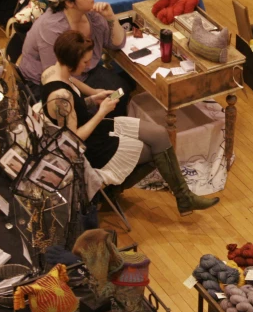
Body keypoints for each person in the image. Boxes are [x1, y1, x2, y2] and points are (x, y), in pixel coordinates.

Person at [42, 30, 219, 216]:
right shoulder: (61, 97)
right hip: (92, 148)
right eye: (84, 62)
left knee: (159, 135)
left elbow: (76, 106)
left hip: (96, 128)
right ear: (72, 61)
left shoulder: (52, 72)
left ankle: (185, 198)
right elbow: (73, 140)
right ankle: (109, 192)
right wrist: (101, 112)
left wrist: (93, 99)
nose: (87, 66)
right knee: (155, 153)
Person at [19, 0, 134, 117]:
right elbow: (56, 75)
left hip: (82, 70)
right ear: (69, 3)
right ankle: (93, 131)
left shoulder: (92, 15)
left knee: (121, 91)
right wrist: (92, 93)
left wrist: (110, 16)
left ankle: (110, 128)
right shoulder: (52, 28)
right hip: (46, 80)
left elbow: (117, 43)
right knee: (80, 110)